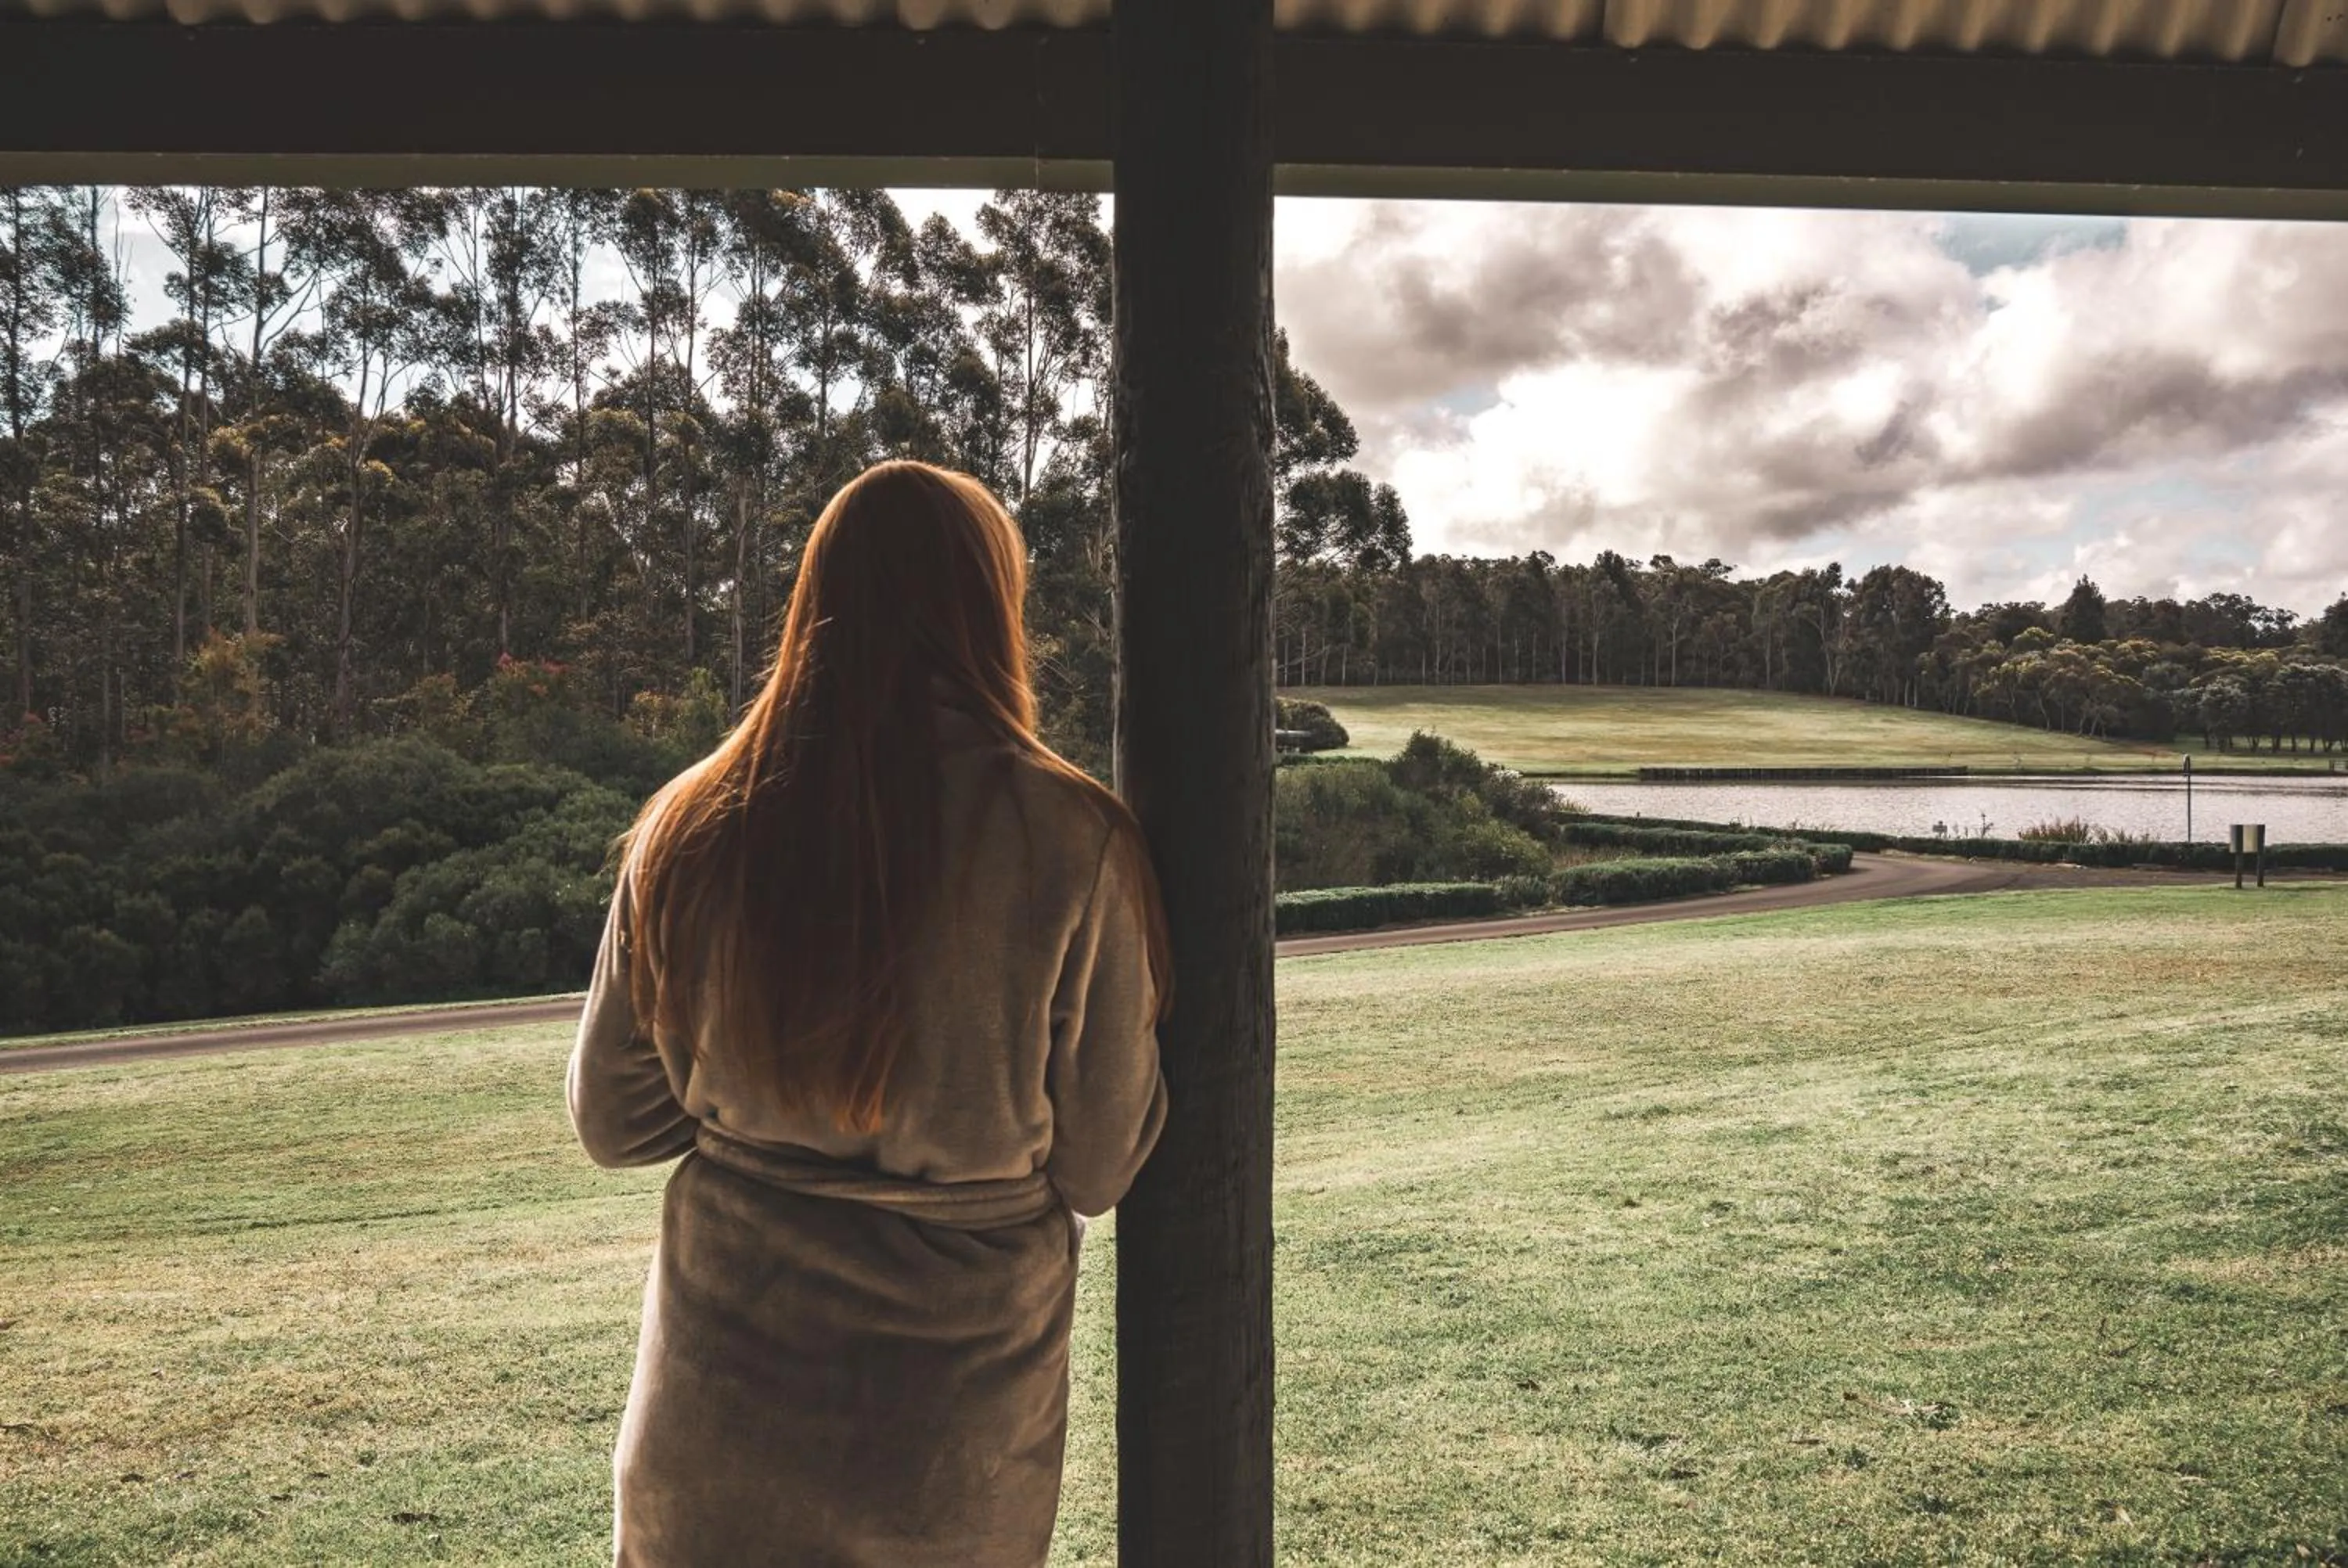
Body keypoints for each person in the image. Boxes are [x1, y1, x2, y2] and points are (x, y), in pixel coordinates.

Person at [567, 459, 1170, 1567]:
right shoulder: (1072, 839)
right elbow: (1099, 1164)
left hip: (712, 1436)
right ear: (991, 609)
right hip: (946, 1457)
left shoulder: (690, 828)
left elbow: (613, 1122)